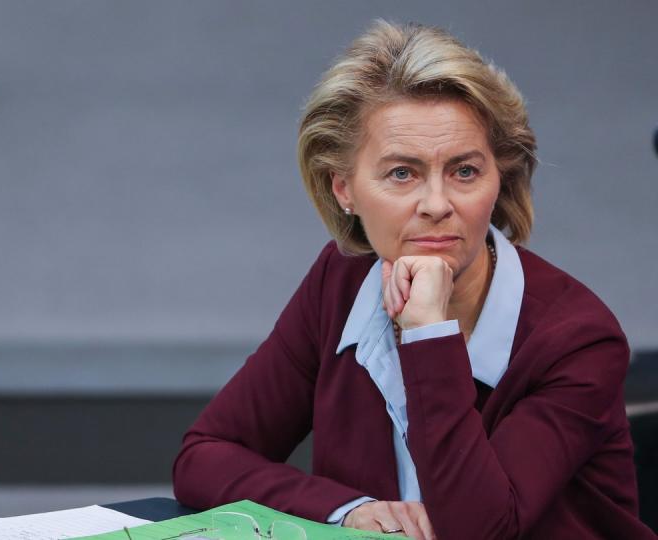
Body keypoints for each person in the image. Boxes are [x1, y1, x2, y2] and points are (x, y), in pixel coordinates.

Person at [172, 20, 655, 540]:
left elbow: (479, 530)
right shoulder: (338, 282)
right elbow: (205, 455)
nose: (437, 205)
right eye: (402, 173)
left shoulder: (576, 337)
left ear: (500, 178)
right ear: (344, 190)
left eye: (465, 171)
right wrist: (348, 509)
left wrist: (428, 333)